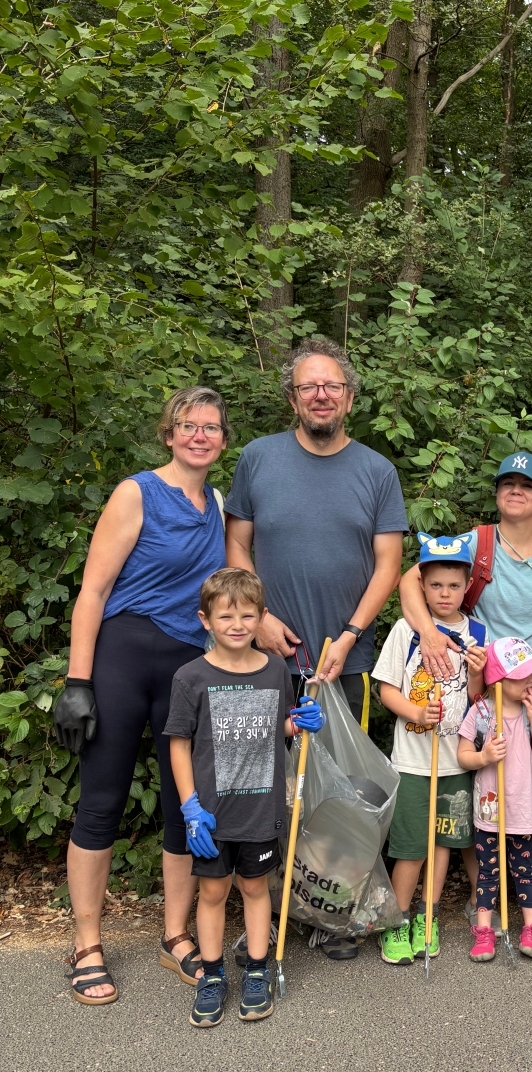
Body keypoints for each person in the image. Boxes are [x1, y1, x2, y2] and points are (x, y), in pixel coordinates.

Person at [224, 336, 408, 958]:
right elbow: (237, 546)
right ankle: (275, 905)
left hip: (345, 659)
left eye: (332, 386)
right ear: (293, 398)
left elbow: (388, 563)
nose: (321, 395)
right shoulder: (257, 459)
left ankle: (337, 910)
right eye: (309, 386)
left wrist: (354, 631)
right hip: (266, 658)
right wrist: (261, 621)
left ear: (350, 398)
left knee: (342, 794)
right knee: (271, 785)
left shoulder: (376, 471)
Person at [53, 387, 230, 1005]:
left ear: (223, 440)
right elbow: (93, 593)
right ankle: (87, 942)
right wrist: (78, 682)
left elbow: (232, 594)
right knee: (102, 798)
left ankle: (175, 934)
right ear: (169, 432)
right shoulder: (136, 492)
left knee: (189, 799)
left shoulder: (218, 504)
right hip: (124, 657)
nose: (199, 435)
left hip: (189, 665)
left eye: (210, 427)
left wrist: (278, 639)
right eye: (189, 425)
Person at [398, 451, 532, 917]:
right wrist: (429, 633)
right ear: (497, 493)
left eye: (527, 485)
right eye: (507, 483)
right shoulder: (477, 541)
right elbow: (410, 581)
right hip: (485, 684)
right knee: (487, 787)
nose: (515, 491)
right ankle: (487, 896)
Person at [165, 568, 324, 1027]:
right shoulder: (190, 676)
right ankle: (212, 977)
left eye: (248, 615)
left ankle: (257, 969)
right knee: (213, 891)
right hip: (211, 814)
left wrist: (302, 723)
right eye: (226, 615)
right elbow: (178, 742)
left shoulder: (277, 670)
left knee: (256, 888)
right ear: (205, 619)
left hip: (261, 809)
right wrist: (190, 808)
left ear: (261, 619)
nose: (237, 624)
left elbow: (277, 729)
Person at [372, 535, 487, 966]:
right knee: (410, 844)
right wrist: (417, 709)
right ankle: (398, 918)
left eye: (453, 586)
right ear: (421, 586)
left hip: (455, 759)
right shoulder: (408, 630)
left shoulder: (476, 632)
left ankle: (429, 915)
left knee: (443, 841)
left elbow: (477, 699)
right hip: (414, 761)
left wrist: (477, 676)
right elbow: (385, 690)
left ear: (466, 587)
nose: (444, 594)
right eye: (435, 585)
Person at [457, 637, 532, 962]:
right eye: (523, 675)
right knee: (488, 872)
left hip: (525, 809)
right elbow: (463, 757)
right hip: (491, 810)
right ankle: (484, 931)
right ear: (498, 679)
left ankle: (531, 928)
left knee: (524, 870)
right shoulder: (482, 711)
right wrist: (484, 756)